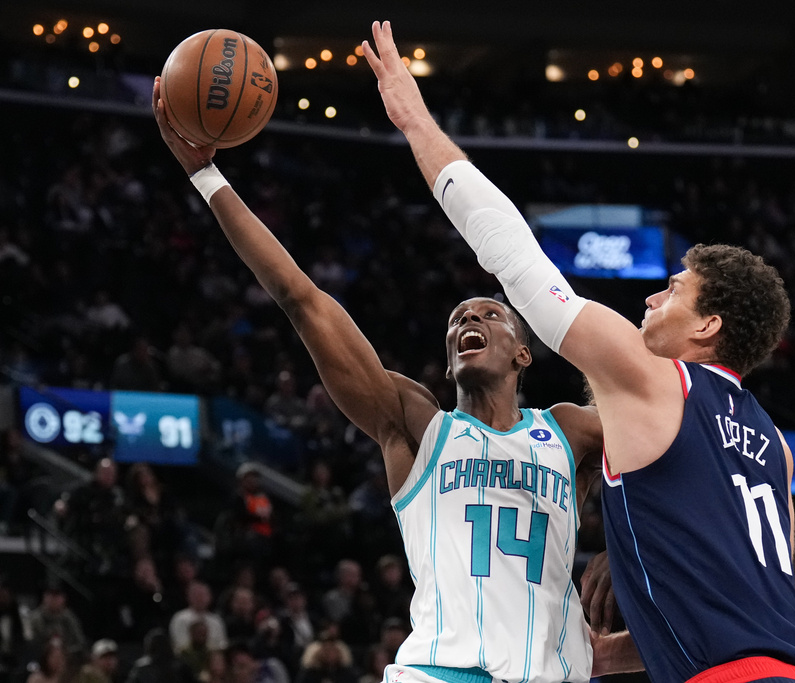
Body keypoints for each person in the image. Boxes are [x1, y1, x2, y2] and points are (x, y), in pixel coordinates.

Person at [364, 19, 795, 683]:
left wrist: (415, 121)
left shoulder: (655, 378)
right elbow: (737, 602)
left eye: (673, 290)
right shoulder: (774, 446)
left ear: (707, 327)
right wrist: (615, 639)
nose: (650, 299)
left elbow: (516, 258)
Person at [152, 76, 604, 683]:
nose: (470, 317)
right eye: (458, 319)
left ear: (525, 353)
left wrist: (617, 560)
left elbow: (666, 442)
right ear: (448, 363)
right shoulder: (416, 425)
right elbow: (302, 300)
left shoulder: (570, 434)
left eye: (490, 313)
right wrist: (207, 177)